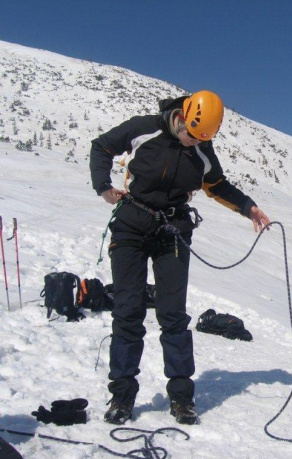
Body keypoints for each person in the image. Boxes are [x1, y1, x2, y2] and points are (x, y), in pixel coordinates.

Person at [89, 90, 270, 425]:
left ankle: (182, 398)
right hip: (130, 226)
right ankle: (122, 396)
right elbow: (101, 145)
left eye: (201, 139)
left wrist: (250, 208)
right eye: (190, 134)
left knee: (173, 315)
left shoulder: (202, 148)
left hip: (172, 230)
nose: (192, 143)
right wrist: (103, 186)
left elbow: (216, 185)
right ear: (182, 116)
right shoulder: (146, 129)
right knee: (128, 310)